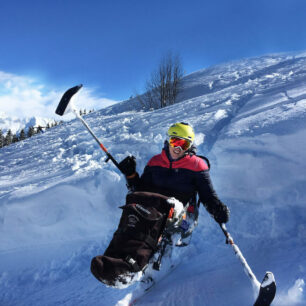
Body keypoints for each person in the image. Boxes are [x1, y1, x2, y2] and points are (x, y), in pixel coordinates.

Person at [118, 122, 229, 226]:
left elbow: (208, 195)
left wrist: (217, 209)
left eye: (184, 145)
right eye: (175, 142)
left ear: (189, 147)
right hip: (153, 209)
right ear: (168, 141)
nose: (178, 148)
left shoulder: (197, 165)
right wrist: (131, 175)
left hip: (179, 217)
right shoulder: (155, 161)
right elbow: (141, 191)